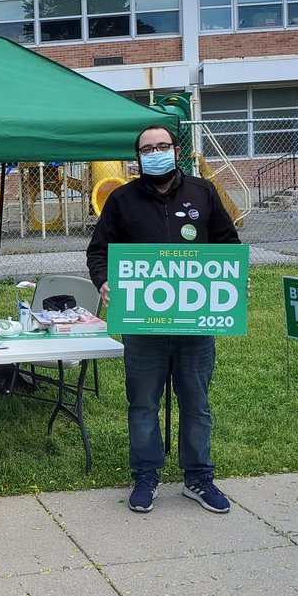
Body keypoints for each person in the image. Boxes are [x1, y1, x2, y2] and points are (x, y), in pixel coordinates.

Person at [86, 123, 241, 515]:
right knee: (142, 404)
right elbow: (98, 251)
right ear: (137, 158)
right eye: (147, 149)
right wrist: (104, 283)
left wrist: (234, 281)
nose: (155, 152)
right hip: (143, 326)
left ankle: (198, 478)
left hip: (195, 324)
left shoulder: (202, 192)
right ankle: (146, 475)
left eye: (162, 146)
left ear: (176, 150)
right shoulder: (121, 199)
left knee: (196, 404)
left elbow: (227, 245)